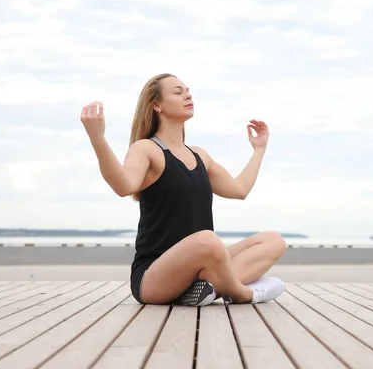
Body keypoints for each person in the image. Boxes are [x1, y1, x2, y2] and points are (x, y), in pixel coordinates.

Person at [80, 73, 287, 306]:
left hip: (201, 264)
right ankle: (244, 293)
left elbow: (239, 190)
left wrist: (259, 150)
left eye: (188, 91)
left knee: (273, 240)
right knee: (208, 241)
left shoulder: (199, 155)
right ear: (157, 105)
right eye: (178, 92)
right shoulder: (147, 149)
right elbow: (123, 186)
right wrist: (97, 138)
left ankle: (206, 290)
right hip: (154, 277)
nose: (187, 95)